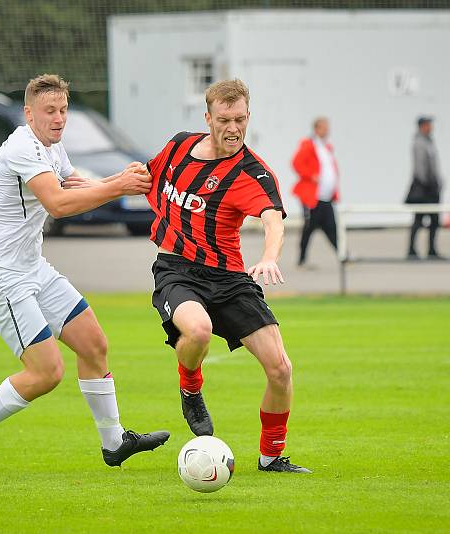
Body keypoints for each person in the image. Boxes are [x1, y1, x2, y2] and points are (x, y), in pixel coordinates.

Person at [0, 74, 169, 476]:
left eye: (64, 110)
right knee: (47, 372)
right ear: (28, 113)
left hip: (33, 268)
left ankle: (114, 442)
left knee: (93, 344)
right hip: (1, 277)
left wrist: (126, 181)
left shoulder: (52, 146)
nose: (59, 118)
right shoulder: (21, 146)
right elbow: (59, 204)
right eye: (50, 111)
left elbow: (76, 186)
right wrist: (119, 186)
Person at [145, 79, 310, 474]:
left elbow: (273, 221)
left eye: (240, 119)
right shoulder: (179, 147)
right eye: (224, 119)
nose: (233, 127)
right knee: (198, 331)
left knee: (281, 369)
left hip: (231, 278)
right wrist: (96, 188)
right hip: (177, 270)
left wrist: (269, 257)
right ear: (208, 118)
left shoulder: (253, 173)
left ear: (248, 116)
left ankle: (271, 456)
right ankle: (191, 385)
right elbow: (143, 178)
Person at [291, 117, 340, 266]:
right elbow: (296, 163)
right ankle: (302, 259)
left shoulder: (326, 147)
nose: (327, 130)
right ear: (317, 128)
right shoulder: (309, 145)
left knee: (331, 226)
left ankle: (342, 254)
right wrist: (310, 176)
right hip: (312, 196)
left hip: (326, 196)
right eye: (324, 127)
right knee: (309, 227)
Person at [405, 116, 443, 260]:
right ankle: (411, 250)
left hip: (432, 187)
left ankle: (431, 249)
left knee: (434, 220)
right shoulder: (420, 143)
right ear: (422, 126)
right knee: (419, 220)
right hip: (425, 189)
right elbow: (420, 167)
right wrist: (428, 184)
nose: (431, 127)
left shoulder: (429, 141)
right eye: (428, 125)